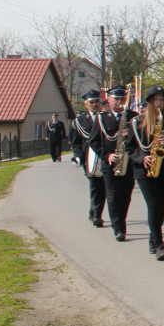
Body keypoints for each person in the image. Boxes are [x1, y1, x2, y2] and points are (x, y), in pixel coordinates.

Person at [129, 85, 164, 260]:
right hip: (145, 170)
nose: (159, 103)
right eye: (156, 100)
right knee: (153, 206)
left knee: (161, 207)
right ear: (149, 103)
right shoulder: (137, 122)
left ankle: (153, 239)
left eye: (162, 100)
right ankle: (160, 245)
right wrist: (142, 157)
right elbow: (130, 148)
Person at [95, 86, 137, 242]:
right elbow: (94, 141)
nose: (119, 102)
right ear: (109, 100)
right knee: (113, 196)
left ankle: (121, 220)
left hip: (129, 162)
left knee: (125, 195)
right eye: (116, 99)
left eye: (122, 99)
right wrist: (107, 155)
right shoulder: (102, 118)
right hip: (110, 163)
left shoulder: (133, 116)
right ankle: (118, 228)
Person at [70, 91, 107, 226]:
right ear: (86, 104)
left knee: (103, 186)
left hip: (104, 155)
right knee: (95, 186)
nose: (95, 104)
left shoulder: (105, 117)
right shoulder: (80, 121)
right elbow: (76, 142)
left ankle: (96, 212)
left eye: (97, 102)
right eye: (92, 102)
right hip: (89, 157)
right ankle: (96, 213)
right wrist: (78, 156)